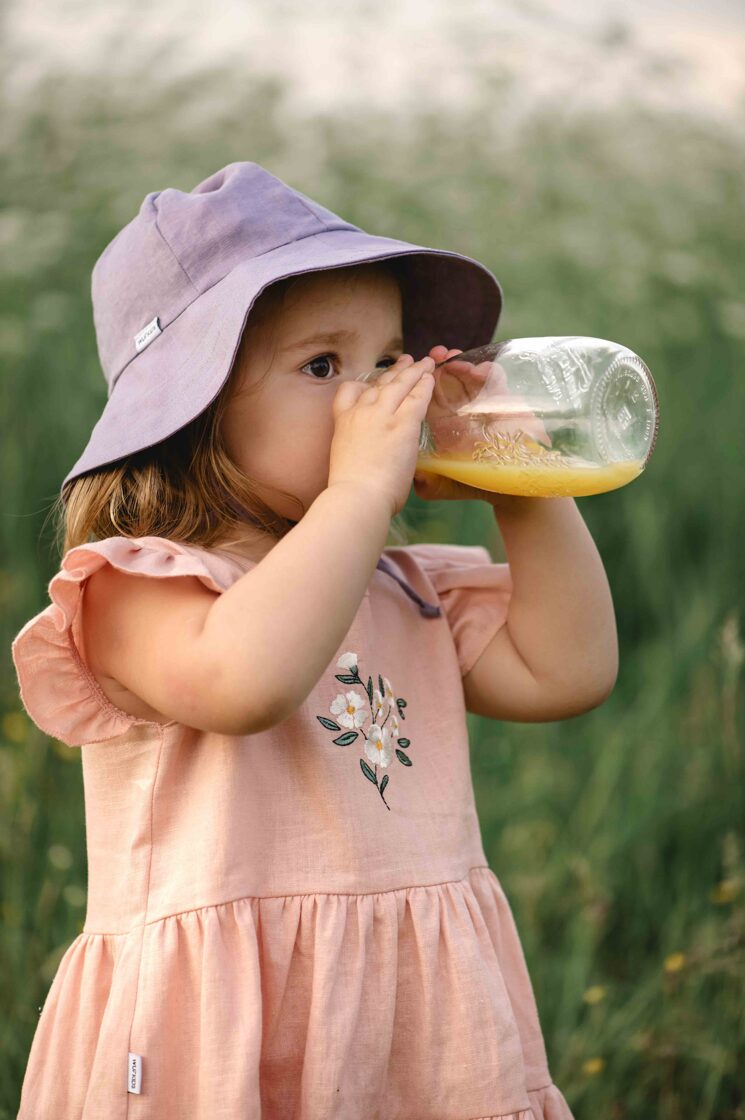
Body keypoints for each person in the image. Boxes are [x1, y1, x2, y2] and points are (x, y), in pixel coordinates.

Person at [10, 161, 618, 1119]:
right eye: (322, 366)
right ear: (192, 410)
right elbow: (243, 681)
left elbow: (567, 670)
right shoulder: (138, 586)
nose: (373, 397)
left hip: (413, 1026)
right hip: (214, 1033)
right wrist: (357, 495)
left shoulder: (400, 589)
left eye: (387, 363)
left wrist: (517, 477)